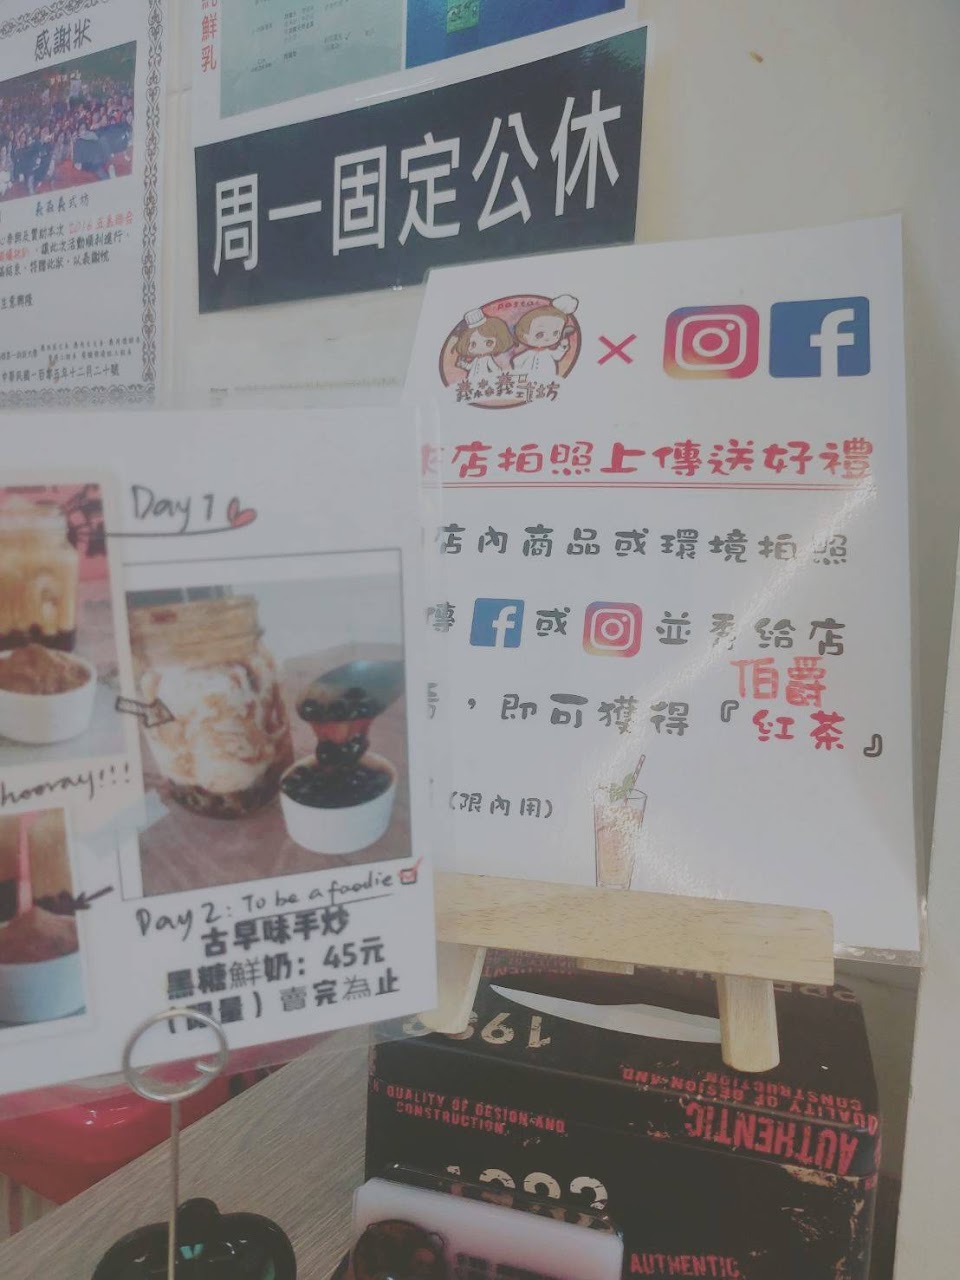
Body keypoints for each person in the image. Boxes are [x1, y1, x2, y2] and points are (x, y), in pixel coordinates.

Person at [511, 294, 579, 384]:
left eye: (555, 333)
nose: (547, 339)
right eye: (540, 335)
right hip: (527, 380)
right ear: (524, 335)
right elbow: (517, 361)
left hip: (547, 380)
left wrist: (563, 346)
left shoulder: (549, 352)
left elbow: (558, 356)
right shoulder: (529, 353)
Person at [455, 308, 513, 391]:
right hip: (472, 381)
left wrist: (497, 378)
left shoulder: (487, 358)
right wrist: (463, 365)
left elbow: (496, 369)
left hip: (484, 382)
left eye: (488, 342)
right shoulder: (476, 359)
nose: (480, 348)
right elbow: (470, 367)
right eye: (473, 344)